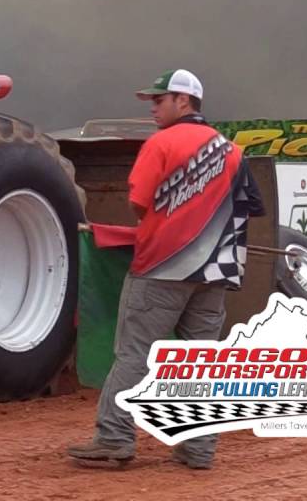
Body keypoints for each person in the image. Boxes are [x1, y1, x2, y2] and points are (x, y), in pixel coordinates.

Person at [67, 69, 265, 470]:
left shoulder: (160, 144)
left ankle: (114, 438)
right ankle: (198, 449)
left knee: (135, 354)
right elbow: (252, 206)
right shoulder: (232, 151)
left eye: (159, 100)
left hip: (161, 268)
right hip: (215, 274)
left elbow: (138, 204)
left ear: (183, 101)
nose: (153, 108)